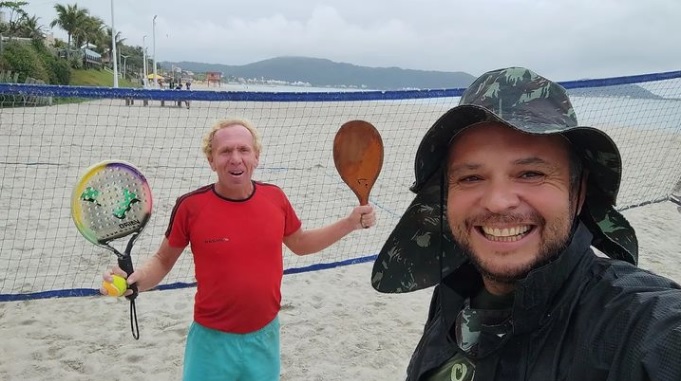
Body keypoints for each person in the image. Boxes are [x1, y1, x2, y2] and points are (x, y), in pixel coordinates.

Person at [371, 67, 681, 380]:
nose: (498, 201)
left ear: (579, 191)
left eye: (531, 174)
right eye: (471, 177)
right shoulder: (453, 290)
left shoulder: (634, 324)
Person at [103, 118, 376, 380]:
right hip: (211, 341)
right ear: (211, 160)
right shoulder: (190, 206)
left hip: (265, 337)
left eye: (244, 149)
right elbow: (163, 260)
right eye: (225, 151)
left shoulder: (275, 198)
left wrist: (350, 223)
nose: (235, 158)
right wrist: (137, 281)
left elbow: (301, 243)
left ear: (256, 156)